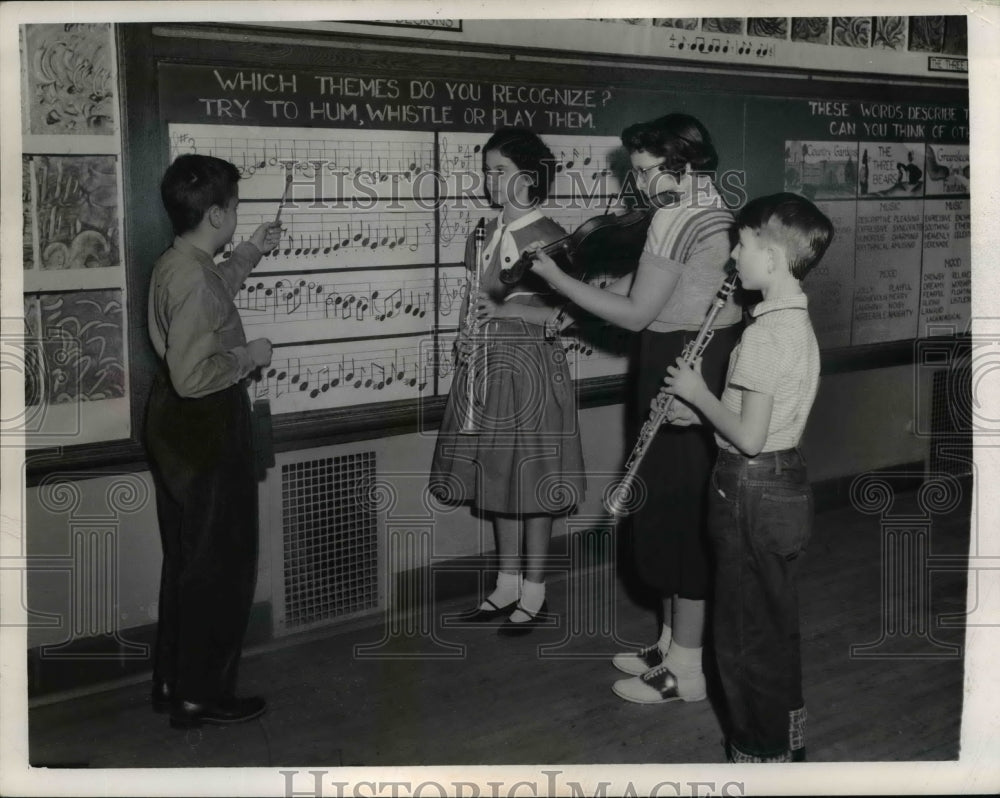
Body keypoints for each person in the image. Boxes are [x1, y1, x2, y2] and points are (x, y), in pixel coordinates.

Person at [525, 113, 742, 703]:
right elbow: (656, 289)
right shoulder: (709, 205)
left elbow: (638, 313)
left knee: (680, 514)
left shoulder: (676, 214)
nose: (640, 184)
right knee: (671, 509)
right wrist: (590, 305)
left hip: (681, 358)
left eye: (645, 171)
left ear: (682, 165)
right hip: (696, 355)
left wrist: (557, 281)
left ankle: (688, 671)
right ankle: (673, 645)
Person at [660, 192, 833, 762]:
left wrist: (697, 393)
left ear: (774, 258)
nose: (734, 255)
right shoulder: (795, 324)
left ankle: (757, 758)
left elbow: (751, 438)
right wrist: (705, 415)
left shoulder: (762, 336)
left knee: (738, 638)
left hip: (750, 490)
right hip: (783, 483)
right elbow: (765, 423)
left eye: (743, 243)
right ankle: (784, 749)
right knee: (770, 628)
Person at [430, 128, 586, 636]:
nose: (490, 180)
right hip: (487, 367)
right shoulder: (483, 232)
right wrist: (462, 332)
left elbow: (570, 313)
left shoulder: (551, 237)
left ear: (528, 176)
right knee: (498, 472)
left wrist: (505, 312)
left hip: (532, 368)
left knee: (533, 476)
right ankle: (505, 585)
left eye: (499, 170)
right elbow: (472, 292)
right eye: (488, 171)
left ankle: (535, 592)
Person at [145, 153, 282, 729]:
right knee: (221, 563)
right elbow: (195, 375)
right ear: (219, 215)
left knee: (188, 558)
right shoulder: (196, 282)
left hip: (174, 426)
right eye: (236, 213)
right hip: (205, 423)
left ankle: (175, 681)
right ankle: (203, 695)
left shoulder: (178, 263)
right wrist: (250, 357)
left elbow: (213, 291)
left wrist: (251, 248)